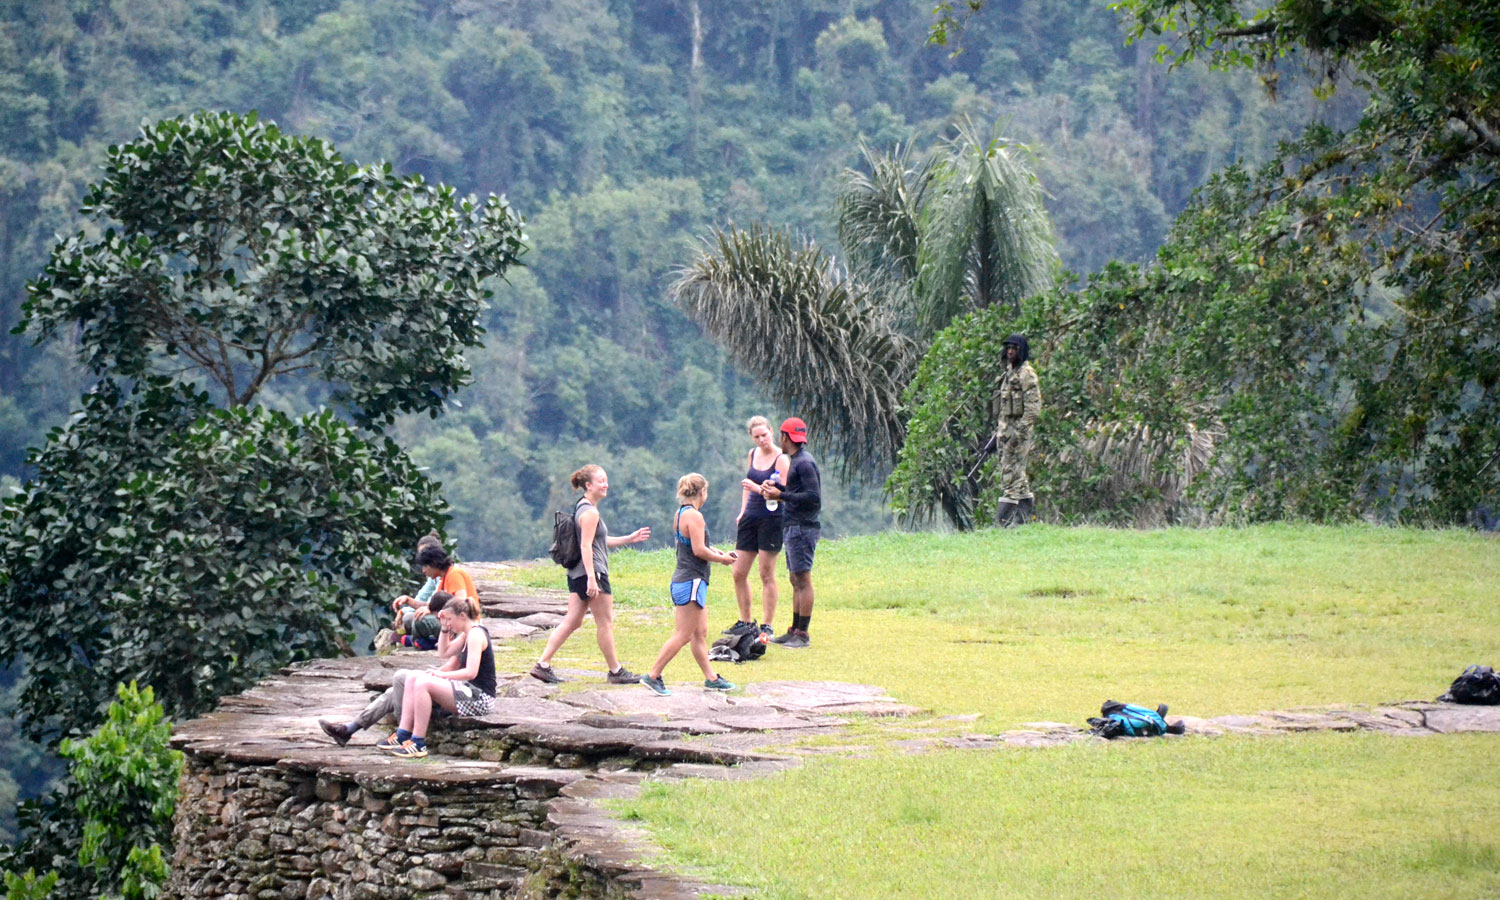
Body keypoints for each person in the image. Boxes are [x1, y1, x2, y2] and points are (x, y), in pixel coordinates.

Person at [530, 465, 651, 685]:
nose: (605, 485)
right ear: (588, 485)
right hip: (591, 572)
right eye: (601, 481)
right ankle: (616, 671)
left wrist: (629, 539)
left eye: (606, 480)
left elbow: (597, 541)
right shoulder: (590, 512)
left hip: (577, 573)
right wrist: (593, 579)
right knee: (605, 622)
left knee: (573, 621)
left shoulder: (582, 508)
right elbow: (586, 546)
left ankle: (542, 665)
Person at [640, 474, 738, 696]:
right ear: (702, 491)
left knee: (699, 633)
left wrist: (719, 552)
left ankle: (711, 678)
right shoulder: (695, 516)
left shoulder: (681, 513)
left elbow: (696, 545)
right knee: (684, 634)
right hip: (691, 580)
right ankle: (653, 675)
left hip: (688, 579)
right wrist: (722, 560)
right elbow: (698, 550)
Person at [318, 592, 458, 746]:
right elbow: (440, 653)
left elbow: (459, 670)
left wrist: (435, 675)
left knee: (400, 681)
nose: (438, 621)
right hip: (442, 683)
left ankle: (403, 733)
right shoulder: (449, 631)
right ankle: (348, 730)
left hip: (451, 693)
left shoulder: (462, 634)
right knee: (393, 691)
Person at [382, 594, 496, 759]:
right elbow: (444, 653)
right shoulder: (466, 634)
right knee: (413, 677)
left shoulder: (476, 635)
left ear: (462, 616)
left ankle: (418, 742)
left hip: (480, 697)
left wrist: (440, 675)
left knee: (424, 683)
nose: (448, 623)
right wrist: (444, 629)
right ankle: (403, 733)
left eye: (449, 619)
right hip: (468, 690)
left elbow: (471, 672)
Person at [759, 417, 820, 649]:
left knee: (803, 579)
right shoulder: (796, 460)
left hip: (803, 527)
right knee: (795, 578)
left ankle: (803, 634)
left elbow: (813, 498)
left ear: (785, 437)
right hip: (793, 525)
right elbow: (798, 492)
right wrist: (778, 490)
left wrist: (780, 496)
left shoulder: (803, 463)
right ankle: (794, 630)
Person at [727, 415, 789, 639]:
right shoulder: (752, 455)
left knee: (766, 573)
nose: (761, 440)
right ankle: (745, 621)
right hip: (750, 518)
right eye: (757, 436)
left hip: (771, 518)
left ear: (771, 432)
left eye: (764, 435)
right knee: (738, 572)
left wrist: (756, 489)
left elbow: (783, 494)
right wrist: (743, 511)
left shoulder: (781, 459)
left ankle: (767, 625)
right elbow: (747, 484)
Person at [993, 334, 1042, 526]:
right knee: (1018, 478)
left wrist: (1019, 434)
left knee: (1010, 477)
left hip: (1018, 436)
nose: (1010, 351)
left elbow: (1033, 409)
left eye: (1014, 348)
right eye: (1008, 348)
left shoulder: (1026, 374)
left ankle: (1003, 524)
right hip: (1005, 433)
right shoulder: (1008, 373)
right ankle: (1023, 522)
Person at [374, 533, 444, 652]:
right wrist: (404, 609)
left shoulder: (445, 575)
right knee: (409, 617)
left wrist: (410, 605)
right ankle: (415, 640)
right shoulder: (433, 577)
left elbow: (433, 604)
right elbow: (422, 597)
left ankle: (412, 641)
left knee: (413, 619)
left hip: (448, 622)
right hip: (439, 619)